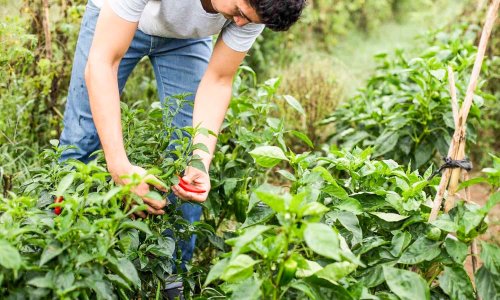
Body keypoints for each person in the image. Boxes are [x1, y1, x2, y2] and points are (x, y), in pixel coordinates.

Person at [59, 0, 306, 297]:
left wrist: (200, 160)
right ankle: (61, 264)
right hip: (115, 16)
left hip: (186, 40)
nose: (240, 23)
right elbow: (103, 63)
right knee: (81, 145)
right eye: (239, 12)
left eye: (249, 20)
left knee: (189, 166)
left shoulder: (255, 9)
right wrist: (120, 167)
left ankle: (173, 285)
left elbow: (219, 79)